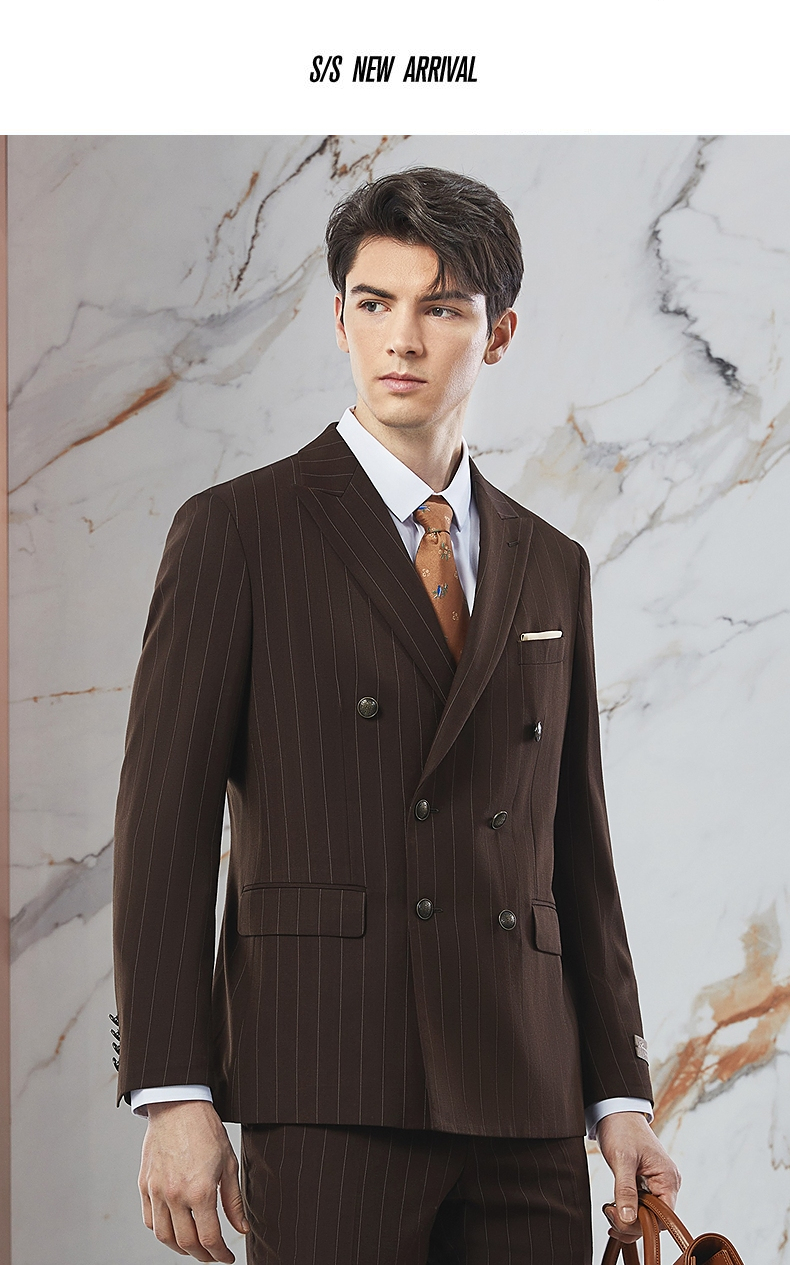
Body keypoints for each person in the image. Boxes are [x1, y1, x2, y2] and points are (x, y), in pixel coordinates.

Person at [111, 166, 680, 1265]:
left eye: (442, 307)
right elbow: (162, 828)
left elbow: (576, 847)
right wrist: (173, 1089)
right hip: (328, 1082)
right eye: (374, 303)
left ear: (498, 332)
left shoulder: (550, 561)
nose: (402, 339)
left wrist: (621, 1093)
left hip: (524, 1094)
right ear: (339, 318)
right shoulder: (239, 531)